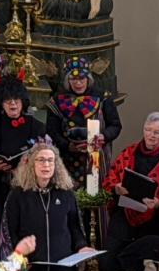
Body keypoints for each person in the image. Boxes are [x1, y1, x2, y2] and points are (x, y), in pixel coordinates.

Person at [101, 112, 159, 250]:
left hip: (154, 221)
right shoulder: (128, 152)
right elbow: (109, 180)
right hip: (124, 212)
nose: (151, 135)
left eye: (157, 132)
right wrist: (116, 188)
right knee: (108, 261)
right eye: (148, 130)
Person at [45, 57, 119, 187]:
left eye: (82, 79)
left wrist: (104, 136)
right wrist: (68, 146)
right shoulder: (56, 101)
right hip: (66, 159)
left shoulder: (103, 98)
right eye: (73, 79)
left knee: (93, 194)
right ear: (67, 80)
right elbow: (52, 131)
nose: (78, 83)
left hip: (95, 158)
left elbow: (115, 125)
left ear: (88, 79)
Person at [0, 85, 48, 211]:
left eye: (16, 99)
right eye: (7, 100)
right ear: (1, 103)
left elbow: (46, 157)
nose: (12, 103)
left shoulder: (37, 126)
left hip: (28, 186)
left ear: (23, 101)